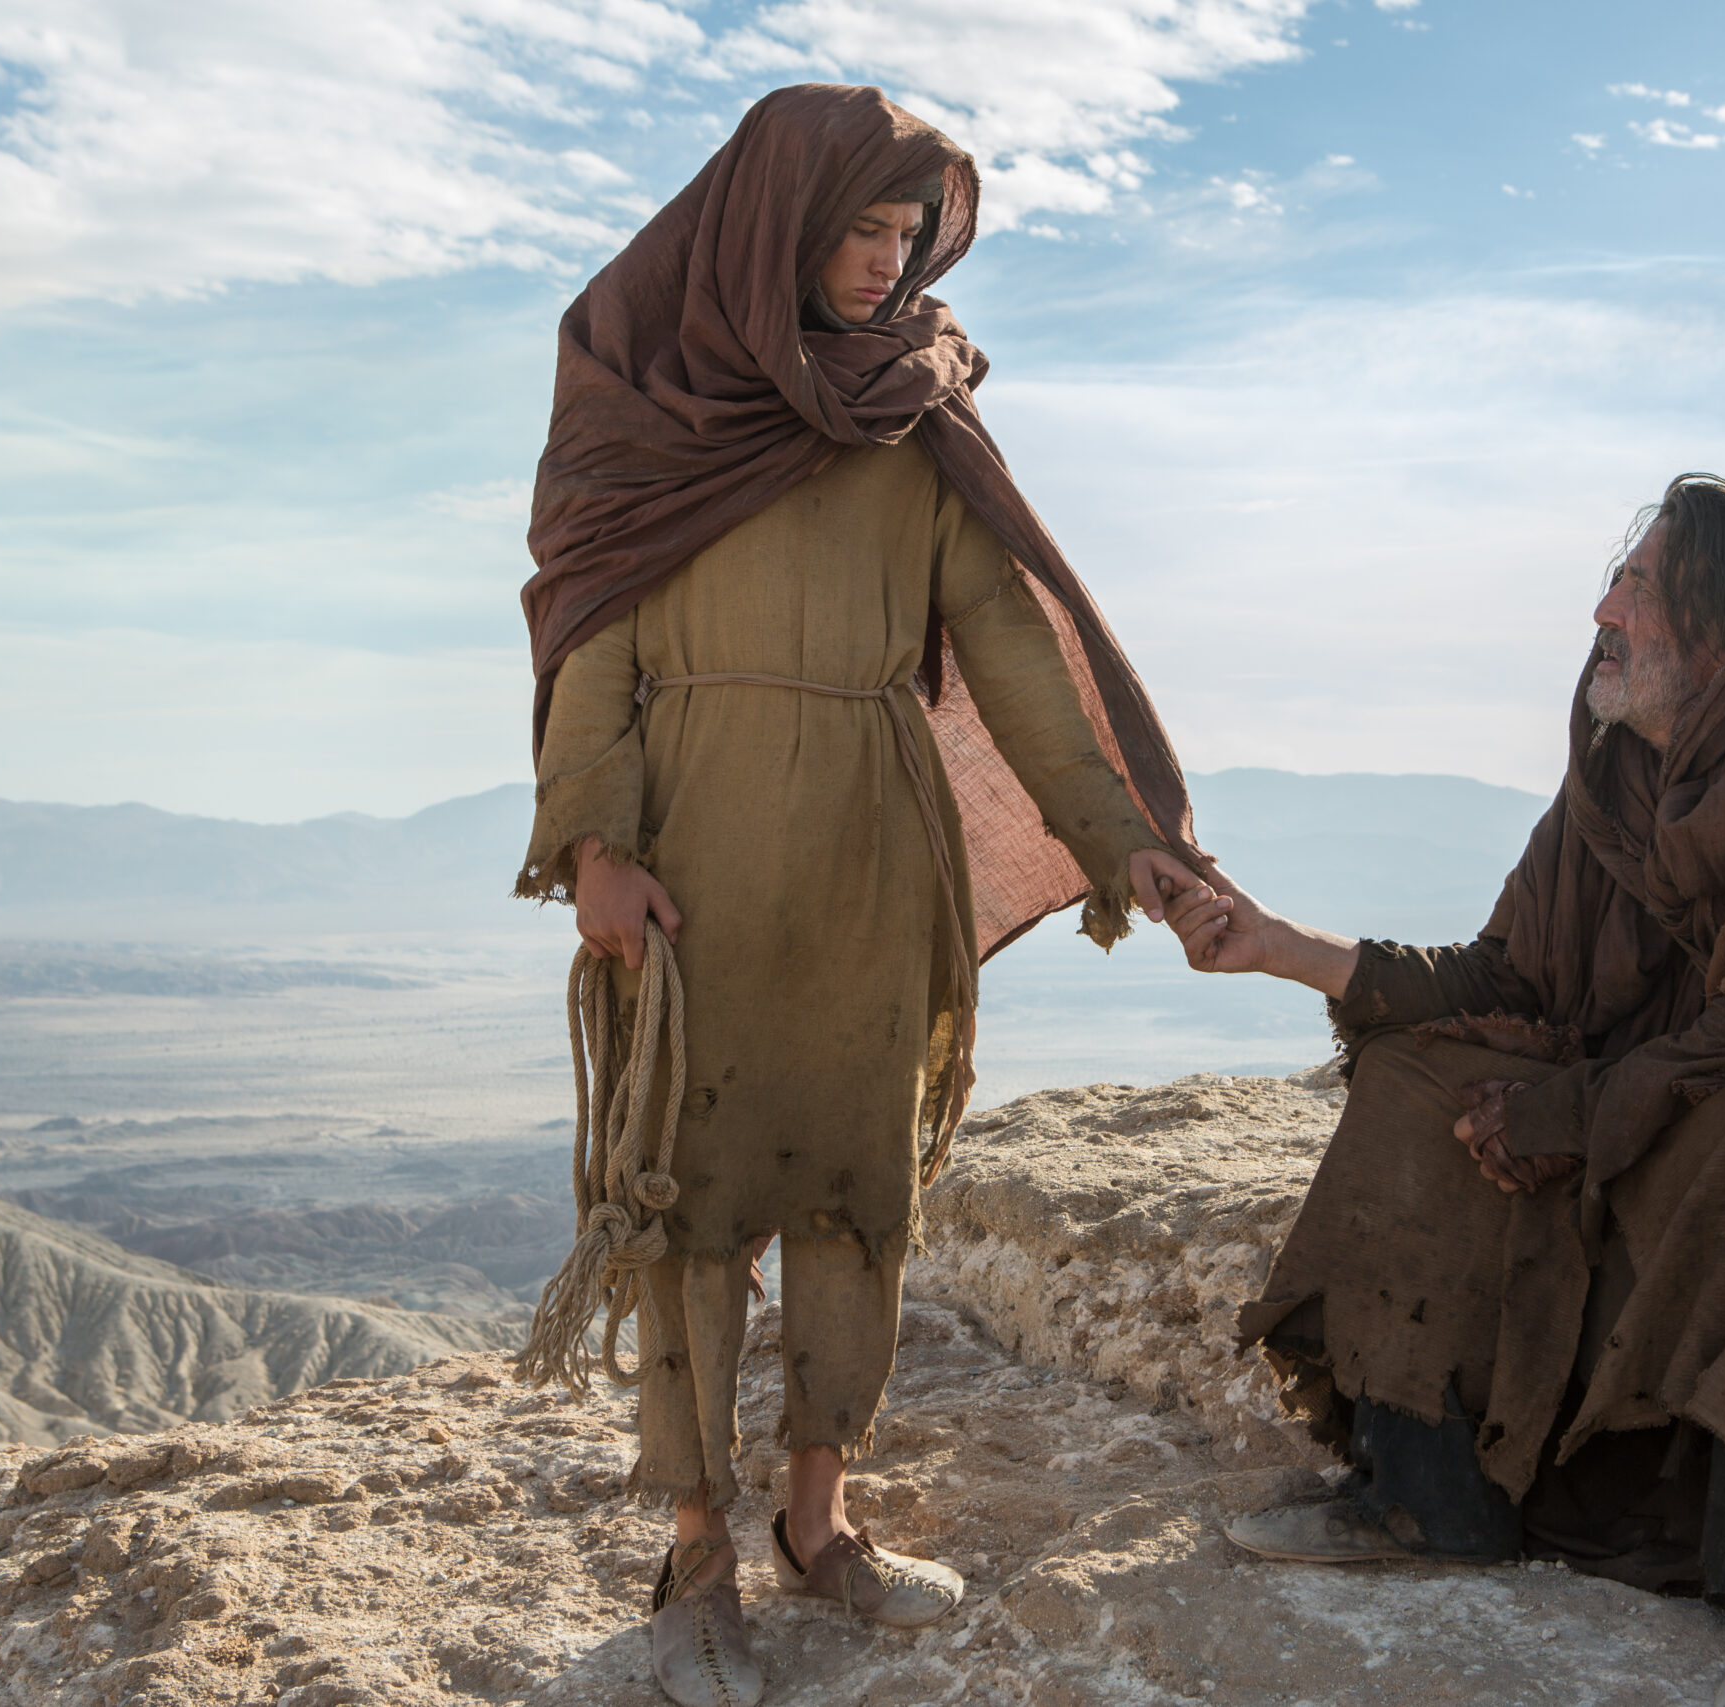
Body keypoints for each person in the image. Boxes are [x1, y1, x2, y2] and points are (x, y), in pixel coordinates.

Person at [511, 85, 1206, 1707]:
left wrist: (1120, 838)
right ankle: (694, 1555)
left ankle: (820, 1518)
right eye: (862, 227)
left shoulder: (916, 412)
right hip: (691, 859)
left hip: (873, 862)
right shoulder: (658, 405)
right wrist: (596, 848)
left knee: (856, 1194)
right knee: (688, 1205)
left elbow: (1017, 650)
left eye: (910, 234)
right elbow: (593, 645)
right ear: (775, 224)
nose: (887, 262)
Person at [1157, 475, 1725, 1704]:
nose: (1601, 612)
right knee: (1421, 1075)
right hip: (1650, 1117)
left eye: (1639, 589)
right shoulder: (1620, 775)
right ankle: (1428, 1495)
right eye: (1616, 582)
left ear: (1723, 640)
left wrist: (1573, 1116)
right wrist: (1279, 946)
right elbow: (1505, 969)